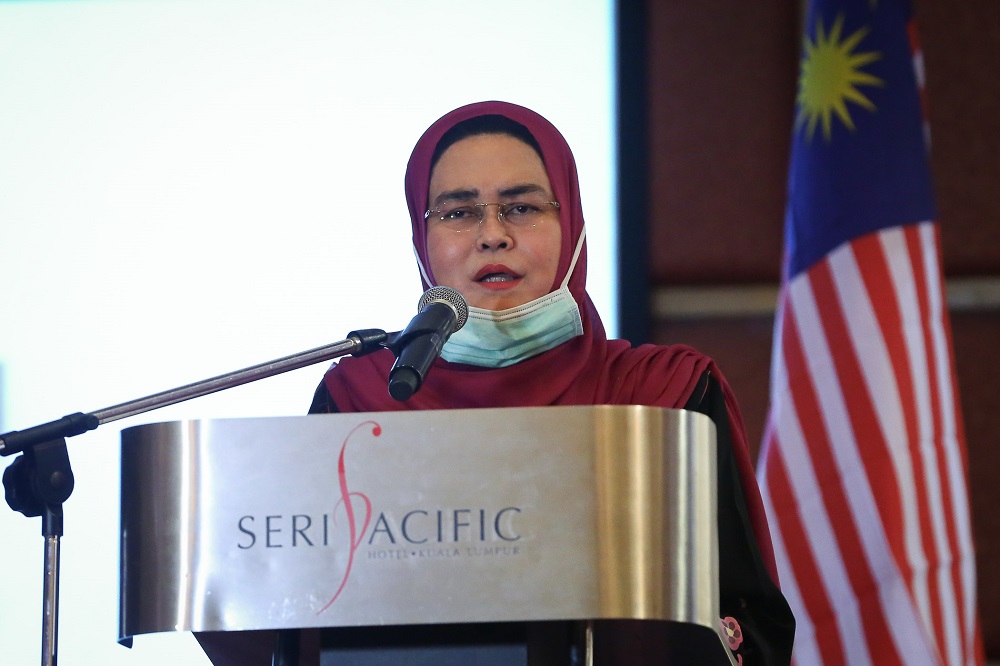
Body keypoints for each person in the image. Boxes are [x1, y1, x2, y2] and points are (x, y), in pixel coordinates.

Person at [198, 100, 794, 664]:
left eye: (523, 206)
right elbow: (303, 617)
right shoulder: (358, 398)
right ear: (421, 240)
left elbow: (753, 625)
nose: (492, 234)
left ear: (574, 226)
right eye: (458, 212)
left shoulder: (666, 395)